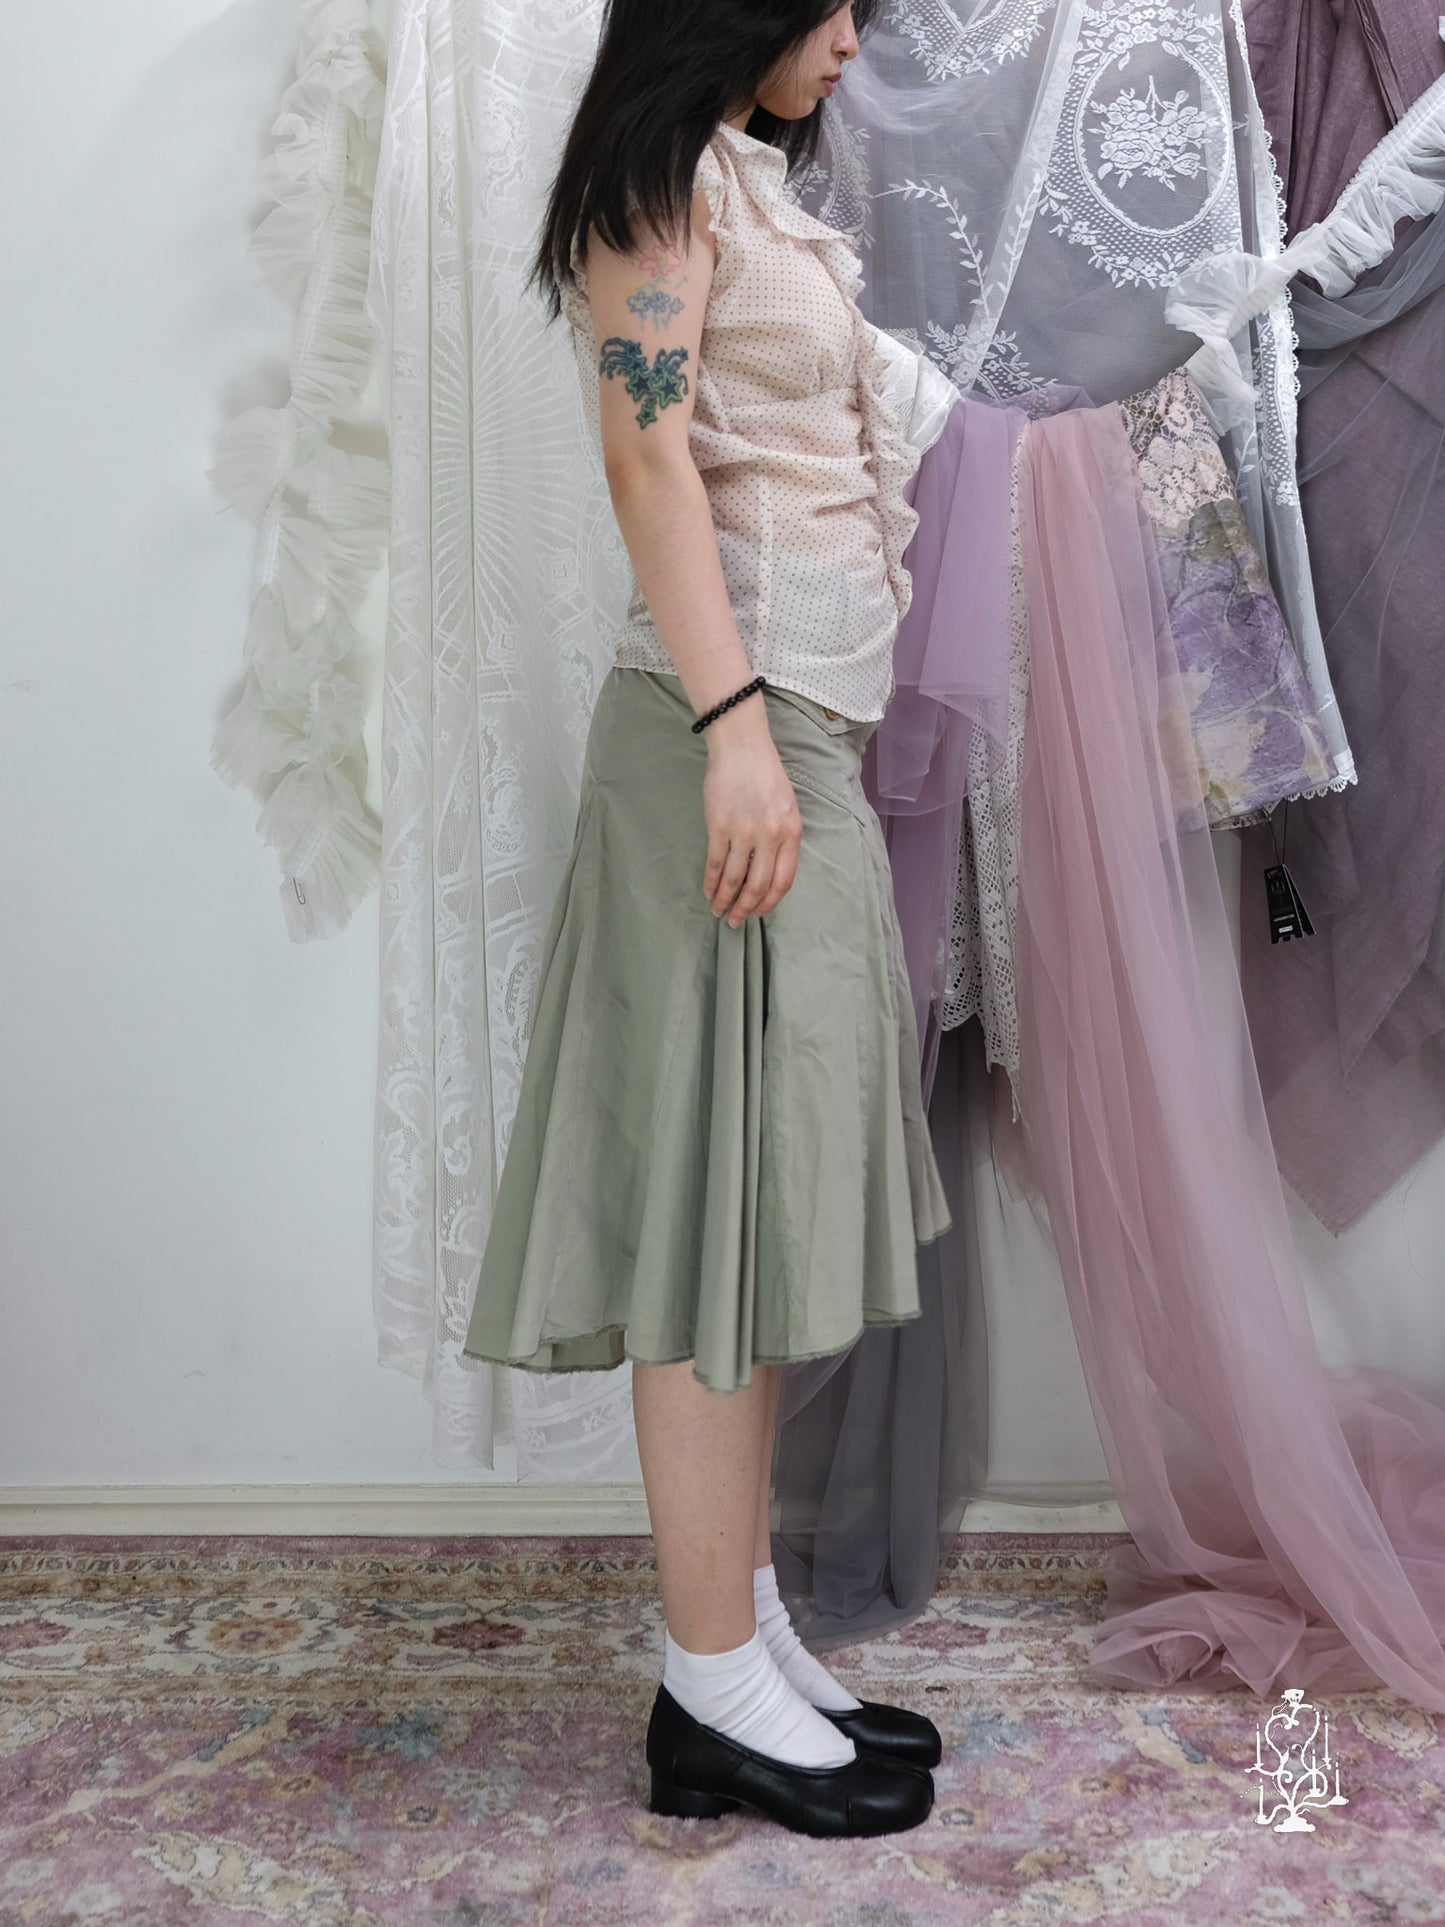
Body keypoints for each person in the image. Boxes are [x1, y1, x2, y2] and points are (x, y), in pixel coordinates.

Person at [462, 0, 957, 1837]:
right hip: (719, 738)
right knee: (706, 1227)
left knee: (745, 1216)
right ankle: (706, 1686)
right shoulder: (657, 182)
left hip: (781, 727)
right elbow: (645, 455)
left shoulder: (741, 187)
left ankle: (735, 1643)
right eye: (826, 4)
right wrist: (733, 728)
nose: (848, 40)